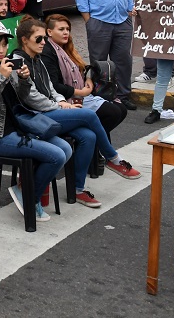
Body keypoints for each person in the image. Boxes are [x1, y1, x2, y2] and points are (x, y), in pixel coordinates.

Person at [12, 18, 140, 208]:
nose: (43, 43)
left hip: (49, 111)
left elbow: (50, 88)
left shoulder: (37, 59)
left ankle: (78, 190)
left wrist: (63, 102)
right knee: (88, 115)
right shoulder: (18, 61)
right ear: (24, 40)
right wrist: (61, 106)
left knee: (88, 136)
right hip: (33, 116)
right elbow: (31, 98)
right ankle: (113, 159)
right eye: (38, 39)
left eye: (44, 39)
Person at [0, 20, 71, 222]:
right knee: (56, 155)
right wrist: (1, 78)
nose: (1, 50)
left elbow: (22, 99)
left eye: (4, 44)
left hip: (21, 126)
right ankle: (30, 197)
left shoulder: (10, 64)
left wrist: (23, 79)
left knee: (65, 149)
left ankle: (27, 191)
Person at [74, 0, 136, 110]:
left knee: (124, 60)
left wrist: (130, 8)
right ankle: (100, 96)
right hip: (99, 22)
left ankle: (123, 95)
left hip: (123, 22)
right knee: (99, 63)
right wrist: (89, 21)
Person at [41, 14, 128, 136]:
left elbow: (80, 68)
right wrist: (81, 92)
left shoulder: (65, 47)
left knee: (121, 109)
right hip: (67, 98)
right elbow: (54, 85)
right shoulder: (48, 51)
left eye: (67, 29)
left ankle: (98, 146)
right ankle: (96, 143)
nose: (66, 33)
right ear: (49, 32)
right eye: (61, 29)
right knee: (112, 113)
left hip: (82, 93)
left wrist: (87, 79)